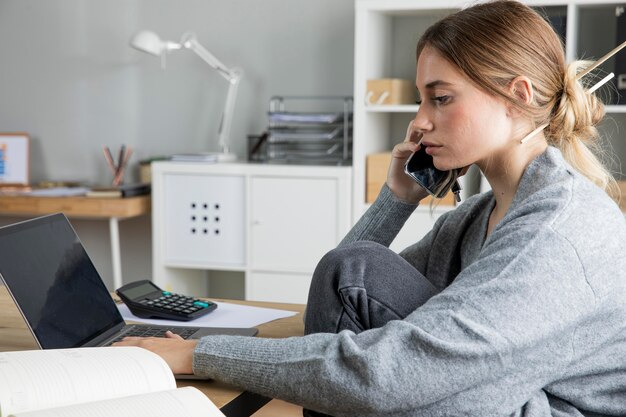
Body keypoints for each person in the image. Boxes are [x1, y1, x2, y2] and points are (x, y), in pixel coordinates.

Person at [114, 1, 626, 415]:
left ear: (517, 97)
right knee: (353, 270)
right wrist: (396, 200)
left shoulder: (556, 232)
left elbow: (396, 368)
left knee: (377, 377)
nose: (420, 121)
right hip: (489, 388)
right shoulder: (479, 217)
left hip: (538, 406)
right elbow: (341, 291)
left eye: (440, 98)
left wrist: (196, 353)